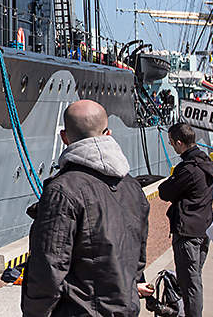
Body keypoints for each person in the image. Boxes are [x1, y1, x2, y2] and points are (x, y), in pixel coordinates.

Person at [21, 100, 150, 317]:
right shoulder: (132, 187)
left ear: (64, 137)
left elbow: (48, 270)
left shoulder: (62, 191)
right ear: (108, 133)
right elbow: (137, 258)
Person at [157, 123, 213, 317]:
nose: (172, 147)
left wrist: (173, 181)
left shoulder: (189, 169)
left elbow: (165, 192)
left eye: (172, 143)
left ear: (180, 143)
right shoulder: (206, 162)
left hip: (187, 232)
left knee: (190, 283)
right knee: (194, 279)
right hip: (203, 228)